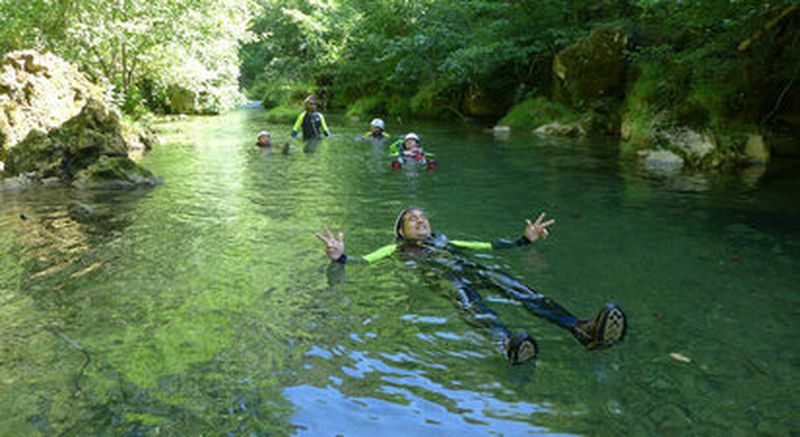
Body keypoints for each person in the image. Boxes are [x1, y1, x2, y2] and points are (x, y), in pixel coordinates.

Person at [315, 208, 627, 365]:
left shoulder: (446, 240)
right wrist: (340, 258)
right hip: (442, 277)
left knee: (521, 290)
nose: (421, 220)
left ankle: (582, 329)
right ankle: (507, 344)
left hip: (473, 268)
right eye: (412, 219)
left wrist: (523, 240)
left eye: (423, 217)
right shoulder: (397, 249)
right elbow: (364, 262)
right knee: (470, 302)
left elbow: (486, 246)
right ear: (401, 230)